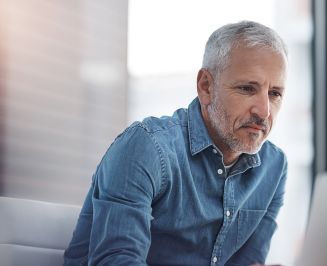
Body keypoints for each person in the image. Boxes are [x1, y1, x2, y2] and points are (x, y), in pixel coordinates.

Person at [64, 20, 288, 266]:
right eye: (247, 88)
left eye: (275, 93)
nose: (264, 111)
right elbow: (116, 261)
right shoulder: (146, 147)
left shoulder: (274, 167)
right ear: (206, 87)